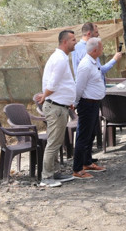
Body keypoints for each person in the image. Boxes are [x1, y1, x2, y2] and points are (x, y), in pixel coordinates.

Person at [35, 30, 77, 187]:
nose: (76, 42)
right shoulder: (59, 59)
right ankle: (46, 177)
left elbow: (61, 84)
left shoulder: (61, 58)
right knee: (53, 143)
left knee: (57, 141)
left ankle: (55, 172)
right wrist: (45, 96)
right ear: (65, 42)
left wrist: (68, 101)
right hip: (55, 108)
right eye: (73, 40)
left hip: (60, 106)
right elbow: (52, 84)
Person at [72, 37, 108, 179]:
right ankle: (77, 169)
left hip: (94, 103)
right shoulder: (85, 65)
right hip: (86, 104)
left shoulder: (93, 62)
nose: (102, 49)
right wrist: (75, 103)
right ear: (94, 50)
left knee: (91, 134)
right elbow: (79, 86)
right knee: (83, 136)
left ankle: (87, 162)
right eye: (101, 47)